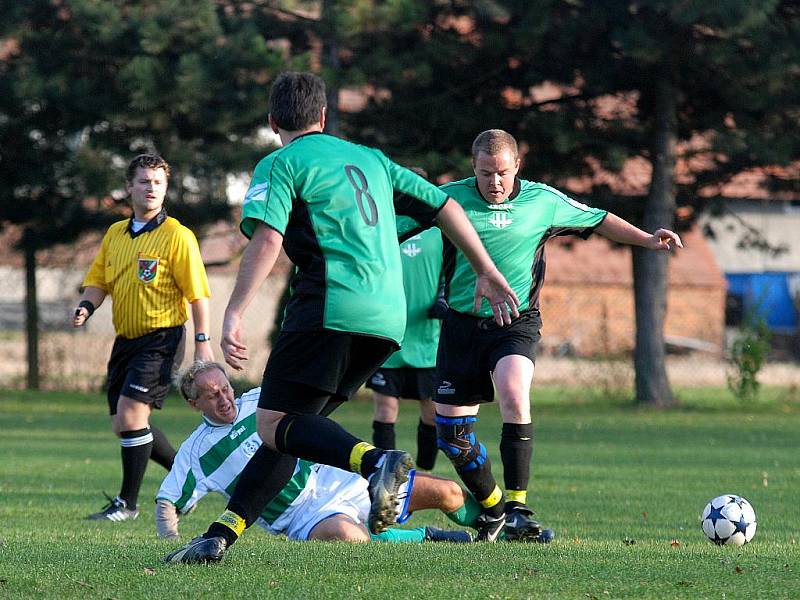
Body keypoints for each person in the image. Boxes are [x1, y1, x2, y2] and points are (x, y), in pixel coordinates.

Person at [164, 71, 518, 563]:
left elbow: (267, 240)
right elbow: (445, 205)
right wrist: (486, 269)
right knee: (292, 427)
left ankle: (378, 463)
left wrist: (234, 312)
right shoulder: (370, 158)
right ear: (324, 117)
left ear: (272, 122)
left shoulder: (281, 162)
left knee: (276, 423)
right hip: (387, 319)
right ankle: (219, 539)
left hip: (329, 306)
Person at [433, 129, 684, 542]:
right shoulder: (448, 199)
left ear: (518, 167)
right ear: (471, 167)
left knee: (515, 391)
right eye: (484, 174)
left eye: (502, 173)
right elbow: (395, 221)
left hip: (515, 322)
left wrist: (646, 239)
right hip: (461, 327)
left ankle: (517, 507)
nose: (494, 183)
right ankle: (495, 510)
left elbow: (600, 218)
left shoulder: (542, 201)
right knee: (452, 438)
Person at [159, 361, 479, 555]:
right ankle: (424, 537)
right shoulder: (195, 452)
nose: (224, 399)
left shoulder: (261, 401)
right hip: (302, 516)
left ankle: (499, 527)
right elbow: (167, 502)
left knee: (448, 492)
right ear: (193, 403)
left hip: (339, 477)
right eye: (212, 395)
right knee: (350, 538)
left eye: (226, 389)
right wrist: (169, 539)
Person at [74, 153, 214, 522]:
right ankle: (189, 480)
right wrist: (86, 307)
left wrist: (203, 341)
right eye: (144, 181)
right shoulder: (115, 234)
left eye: (158, 182)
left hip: (162, 337)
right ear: (129, 187)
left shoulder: (177, 236)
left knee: (132, 414)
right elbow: (98, 281)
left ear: (165, 189)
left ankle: (127, 504)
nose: (151, 188)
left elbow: (198, 293)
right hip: (127, 340)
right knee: (124, 423)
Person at [366, 224, 445, 471]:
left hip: (427, 342)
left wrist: (444, 297)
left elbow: (454, 271)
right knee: (385, 408)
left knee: (432, 413)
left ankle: (425, 469)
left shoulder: (439, 230)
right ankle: (386, 470)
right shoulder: (384, 225)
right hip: (389, 338)